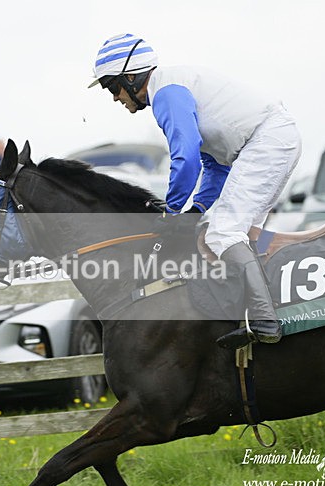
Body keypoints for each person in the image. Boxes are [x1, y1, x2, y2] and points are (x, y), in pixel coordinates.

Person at [88, 33, 302, 350]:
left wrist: (171, 211)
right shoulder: (173, 90)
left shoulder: (166, 94)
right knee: (237, 232)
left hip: (267, 140)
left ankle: (265, 319)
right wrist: (197, 208)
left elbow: (185, 156)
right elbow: (214, 165)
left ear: (131, 78)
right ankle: (269, 308)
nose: (115, 98)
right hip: (271, 140)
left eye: (112, 87)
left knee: (223, 233)